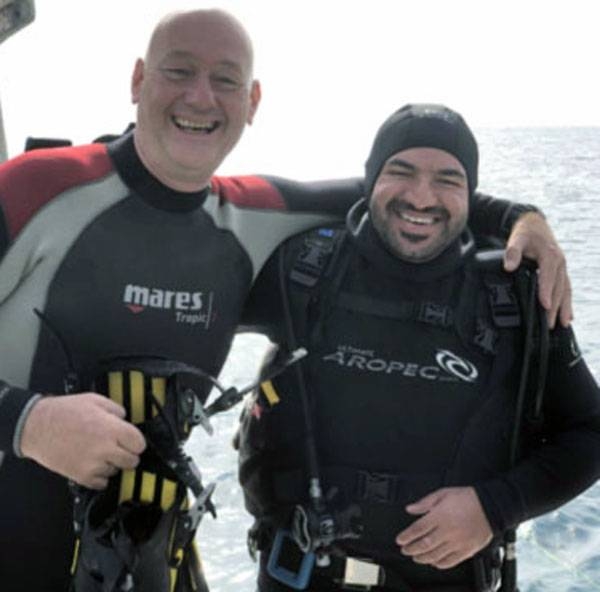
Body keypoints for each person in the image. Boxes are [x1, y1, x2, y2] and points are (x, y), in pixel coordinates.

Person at [0, 8, 570, 592]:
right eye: (179, 71)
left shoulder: (252, 218)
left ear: (252, 102)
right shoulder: (34, 190)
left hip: (134, 560)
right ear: (138, 79)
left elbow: (409, 196)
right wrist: (26, 423)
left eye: (225, 80)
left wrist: (526, 219)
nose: (201, 97)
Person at [236, 104, 600, 592]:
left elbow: (590, 433)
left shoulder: (513, 294)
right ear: (370, 180)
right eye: (400, 171)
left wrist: (494, 507)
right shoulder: (302, 270)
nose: (422, 196)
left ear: (469, 193)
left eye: (448, 179)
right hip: (298, 576)